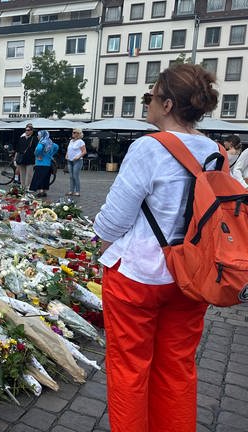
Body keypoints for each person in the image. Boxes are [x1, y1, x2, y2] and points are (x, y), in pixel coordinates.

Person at [93, 63, 220, 432]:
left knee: (130, 371)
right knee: (177, 370)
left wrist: (98, 232)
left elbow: (114, 221)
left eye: (149, 96)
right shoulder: (216, 152)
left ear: (166, 104)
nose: (145, 102)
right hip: (192, 277)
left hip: (139, 276)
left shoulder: (148, 148)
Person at [30, 130, 58, 197]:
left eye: (38, 135)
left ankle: (40, 191)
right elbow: (56, 147)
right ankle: (44, 191)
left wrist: (38, 155)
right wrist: (51, 155)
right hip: (48, 163)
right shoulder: (50, 142)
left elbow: (38, 149)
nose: (37, 136)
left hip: (40, 163)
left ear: (42, 136)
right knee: (46, 178)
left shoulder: (42, 142)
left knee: (39, 177)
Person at [65, 128, 88, 196]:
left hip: (77, 161)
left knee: (75, 176)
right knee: (71, 176)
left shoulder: (81, 141)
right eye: (73, 132)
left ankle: (77, 191)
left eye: (74, 132)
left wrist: (78, 156)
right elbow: (69, 149)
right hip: (69, 160)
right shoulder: (71, 141)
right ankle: (71, 191)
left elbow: (84, 151)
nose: (73, 133)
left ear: (78, 134)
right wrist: (66, 155)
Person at [15, 124, 37, 190]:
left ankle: (28, 186)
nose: (27, 131)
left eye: (28, 130)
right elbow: (18, 149)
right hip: (22, 159)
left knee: (29, 174)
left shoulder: (34, 138)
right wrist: (16, 158)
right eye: (26, 130)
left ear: (32, 131)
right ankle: (22, 186)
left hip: (30, 159)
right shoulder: (22, 138)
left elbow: (36, 149)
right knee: (22, 173)